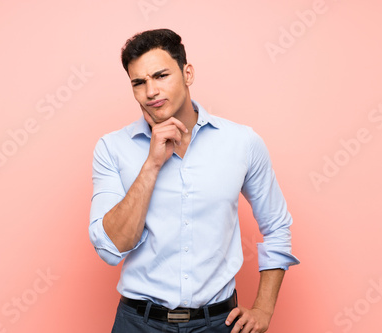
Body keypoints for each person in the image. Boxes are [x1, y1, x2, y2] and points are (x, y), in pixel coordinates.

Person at [89, 28, 300, 333]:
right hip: (138, 324)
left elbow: (277, 227)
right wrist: (152, 164)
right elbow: (111, 248)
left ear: (187, 74)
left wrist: (264, 309)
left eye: (161, 75)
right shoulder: (112, 148)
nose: (151, 92)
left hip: (218, 323)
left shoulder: (241, 142)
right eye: (139, 82)